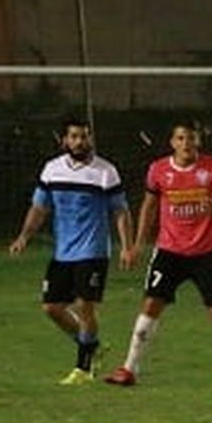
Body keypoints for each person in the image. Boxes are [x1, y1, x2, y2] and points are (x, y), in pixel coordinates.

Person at [104, 122, 212, 386]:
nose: (186, 144)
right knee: (150, 306)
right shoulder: (159, 170)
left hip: (204, 252)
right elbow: (149, 207)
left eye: (191, 138)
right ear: (172, 142)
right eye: (180, 138)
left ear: (198, 141)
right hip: (169, 251)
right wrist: (137, 245)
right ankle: (129, 369)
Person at [8, 116, 133, 384]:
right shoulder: (52, 170)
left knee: (85, 306)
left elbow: (121, 211)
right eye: (74, 137)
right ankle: (92, 345)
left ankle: (84, 368)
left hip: (94, 251)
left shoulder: (105, 172)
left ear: (90, 139)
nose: (79, 142)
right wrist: (23, 237)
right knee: (51, 307)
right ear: (64, 140)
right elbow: (39, 208)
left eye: (84, 136)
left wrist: (126, 246)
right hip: (63, 253)